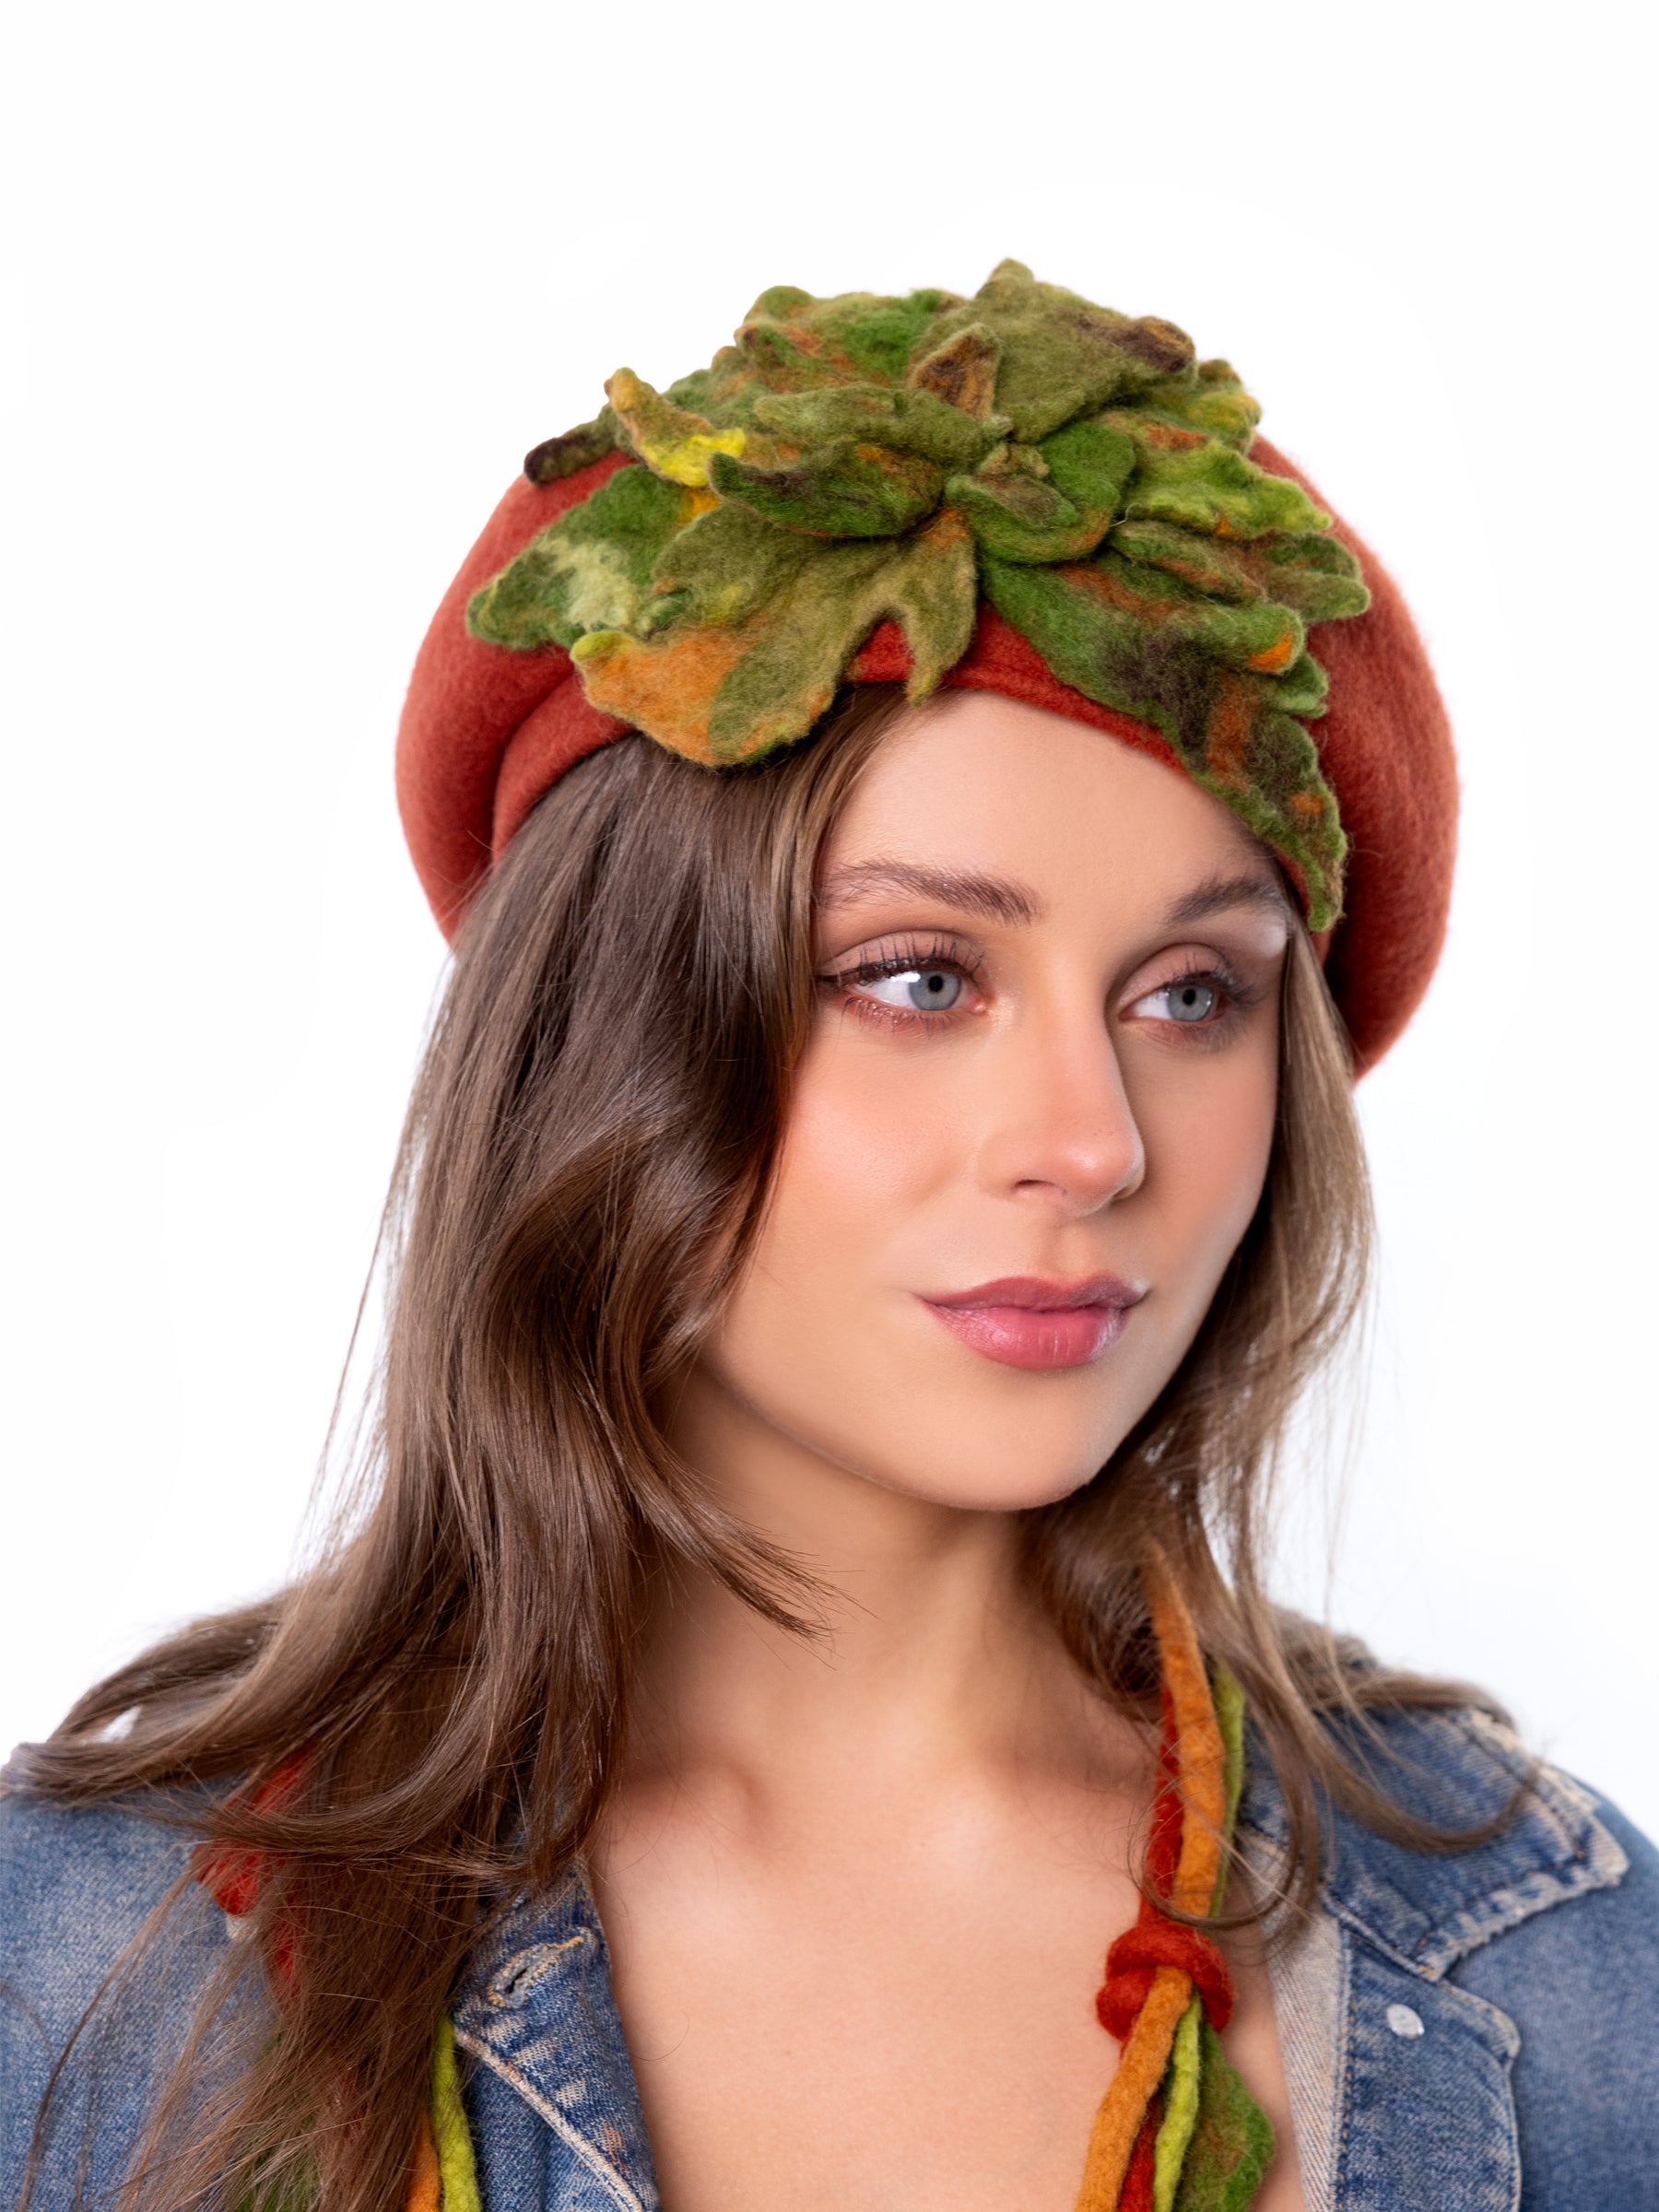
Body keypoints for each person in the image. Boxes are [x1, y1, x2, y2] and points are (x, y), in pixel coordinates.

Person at [2, 261, 1654, 2212]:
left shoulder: (1559, 1978)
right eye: (919, 975)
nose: (1089, 1143)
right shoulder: (85, 1973)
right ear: (608, 1032)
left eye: (1193, 995)